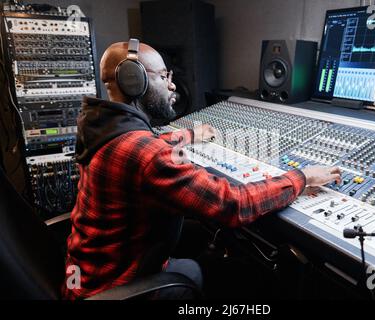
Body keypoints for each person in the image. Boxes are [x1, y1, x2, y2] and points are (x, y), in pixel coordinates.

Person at [62, 39, 341, 300]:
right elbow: (233, 204)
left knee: (198, 233)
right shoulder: (145, 155)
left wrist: (187, 135)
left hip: (86, 275)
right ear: (135, 81)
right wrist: (301, 178)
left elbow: (145, 142)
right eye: (163, 77)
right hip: (117, 287)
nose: (171, 86)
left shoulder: (100, 126)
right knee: (250, 277)